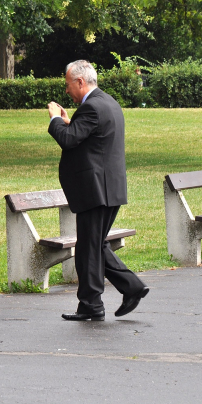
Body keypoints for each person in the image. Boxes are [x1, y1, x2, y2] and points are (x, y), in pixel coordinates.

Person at [47, 60, 149, 321]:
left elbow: (69, 140)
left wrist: (56, 121)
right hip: (107, 188)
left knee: (88, 249)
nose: (67, 91)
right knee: (93, 246)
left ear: (80, 82)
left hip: (96, 190)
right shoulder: (107, 102)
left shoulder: (91, 106)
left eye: (68, 85)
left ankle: (93, 304)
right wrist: (71, 122)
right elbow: (88, 140)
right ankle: (129, 288)